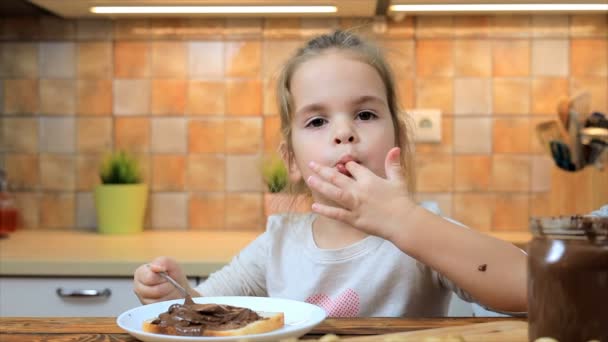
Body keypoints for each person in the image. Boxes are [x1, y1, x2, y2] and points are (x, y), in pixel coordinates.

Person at [134, 30, 527, 317]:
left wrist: (406, 221)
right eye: (318, 120)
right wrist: (173, 292)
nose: (344, 132)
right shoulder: (278, 243)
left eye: (365, 114)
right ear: (291, 159)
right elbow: (206, 313)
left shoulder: (424, 234)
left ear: (399, 140)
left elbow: (536, 291)